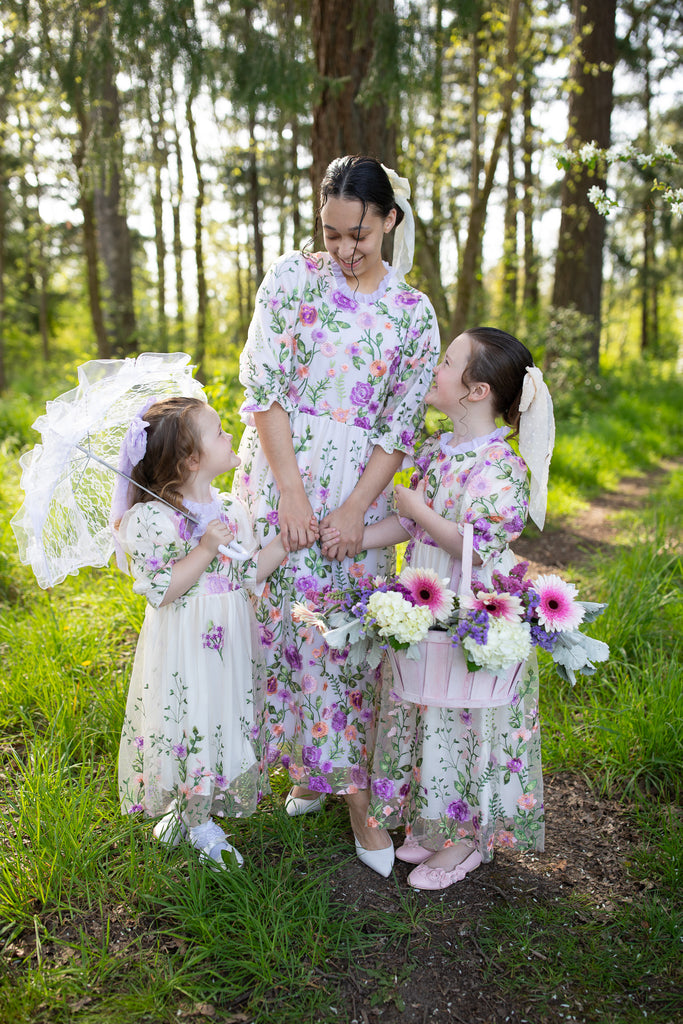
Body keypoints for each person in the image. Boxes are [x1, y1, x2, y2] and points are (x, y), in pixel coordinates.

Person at [232, 155, 440, 876]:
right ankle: (305, 767)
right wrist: (289, 492)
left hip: (360, 488)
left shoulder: (413, 313)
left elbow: (400, 423)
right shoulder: (292, 278)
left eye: (359, 234)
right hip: (281, 468)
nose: (345, 249)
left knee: (344, 639)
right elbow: (263, 386)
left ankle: (356, 796)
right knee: (276, 626)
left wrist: (354, 509)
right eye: (332, 233)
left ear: (389, 221)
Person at [322, 327, 553, 889]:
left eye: (448, 362)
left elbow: (478, 546)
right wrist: (354, 536)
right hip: (428, 596)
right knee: (428, 707)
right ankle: (434, 820)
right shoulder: (438, 449)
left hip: (470, 607)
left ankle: (467, 838)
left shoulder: (500, 464)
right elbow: (409, 524)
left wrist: (420, 510)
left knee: (465, 712)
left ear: (476, 391)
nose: (435, 368)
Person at [114, 396, 297, 869]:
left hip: (228, 638)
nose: (230, 434)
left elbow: (249, 571)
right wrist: (204, 548)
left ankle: (192, 809)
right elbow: (162, 590)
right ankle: (197, 821)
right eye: (218, 432)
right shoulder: (153, 519)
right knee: (189, 717)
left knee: (221, 713)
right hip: (186, 643)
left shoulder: (231, 508)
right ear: (192, 460)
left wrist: (286, 541)